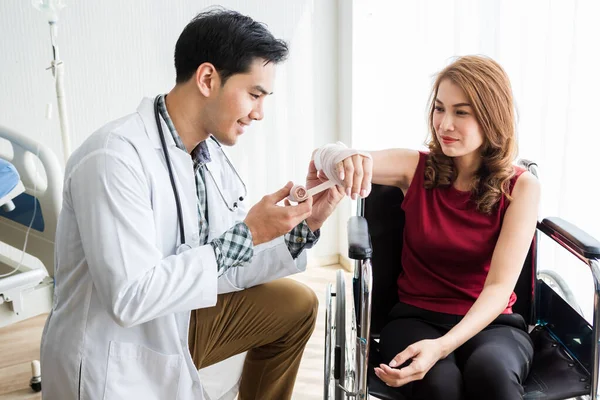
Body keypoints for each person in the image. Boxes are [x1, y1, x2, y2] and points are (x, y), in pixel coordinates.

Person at [40, 8, 349, 400]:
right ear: (207, 79)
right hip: (113, 350)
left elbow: (223, 267)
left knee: (296, 305)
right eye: (254, 95)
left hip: (177, 317)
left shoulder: (208, 157)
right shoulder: (112, 158)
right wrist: (249, 232)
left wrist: (304, 225)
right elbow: (130, 298)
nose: (259, 113)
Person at [329, 55, 540, 399]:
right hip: (415, 317)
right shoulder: (414, 167)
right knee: (438, 386)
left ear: (491, 117)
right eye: (439, 109)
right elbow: (342, 159)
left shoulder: (522, 187)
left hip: (492, 322)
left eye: (461, 112)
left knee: (492, 376)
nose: (444, 124)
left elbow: (500, 287)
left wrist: (442, 346)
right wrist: (335, 156)